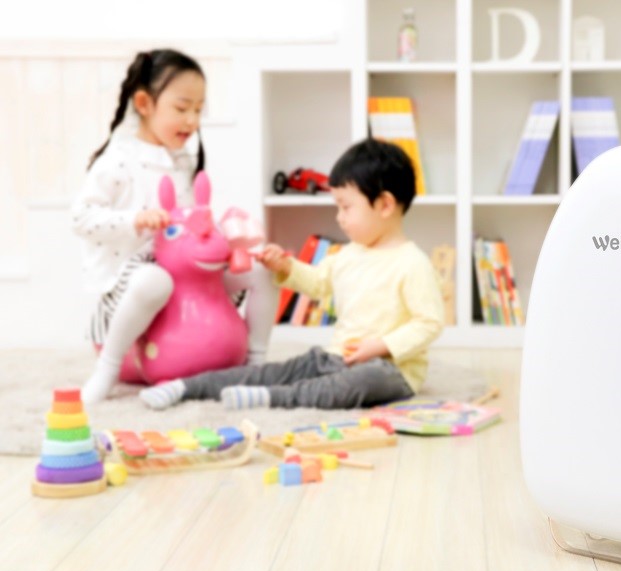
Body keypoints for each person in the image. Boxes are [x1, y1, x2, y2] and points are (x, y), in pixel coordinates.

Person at [140, 138, 445, 410]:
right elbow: (318, 283)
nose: (339, 218)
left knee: (360, 382)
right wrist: (286, 267)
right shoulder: (350, 253)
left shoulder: (412, 263)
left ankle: (272, 398)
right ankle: (186, 387)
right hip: (337, 357)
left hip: (390, 370)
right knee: (278, 371)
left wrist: (380, 347)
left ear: (385, 205)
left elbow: (429, 323)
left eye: (346, 207)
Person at [72, 49, 277, 404]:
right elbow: (81, 218)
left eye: (198, 109)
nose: (192, 120)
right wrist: (135, 219)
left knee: (261, 271)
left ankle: (255, 363)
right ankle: (107, 369)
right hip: (134, 284)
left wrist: (226, 236)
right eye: (182, 109)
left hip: (185, 279)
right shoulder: (117, 161)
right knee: (156, 280)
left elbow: (187, 226)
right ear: (144, 104)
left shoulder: (182, 162)